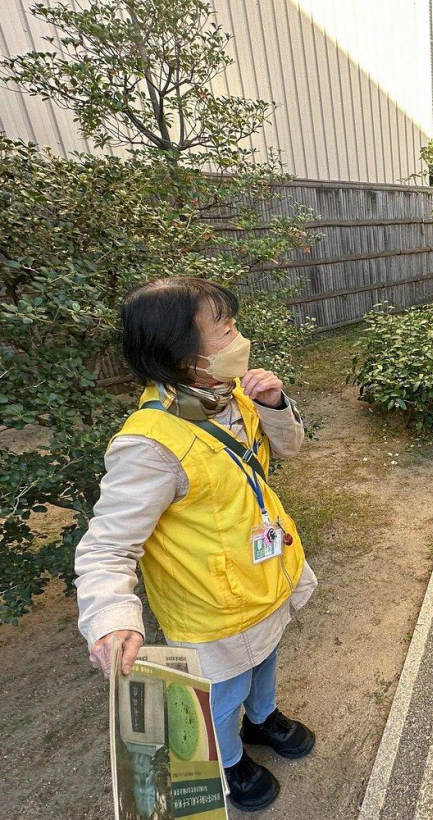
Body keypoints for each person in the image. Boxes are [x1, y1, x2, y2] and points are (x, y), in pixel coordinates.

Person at [75, 278, 318, 812]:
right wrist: (111, 616)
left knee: (267, 657)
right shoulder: (148, 445)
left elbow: (290, 449)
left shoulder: (231, 394)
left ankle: (264, 718)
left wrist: (275, 403)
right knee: (223, 690)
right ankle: (228, 761)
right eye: (224, 331)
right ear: (181, 356)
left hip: (264, 573)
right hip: (211, 606)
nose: (239, 339)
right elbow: (107, 546)